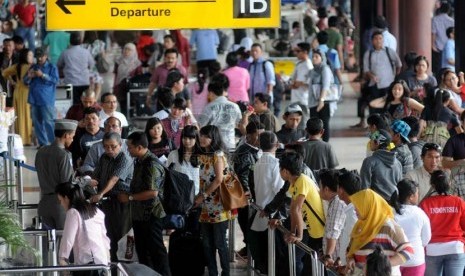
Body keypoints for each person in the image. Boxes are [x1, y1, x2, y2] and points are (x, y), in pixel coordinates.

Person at [119, 131, 171, 276]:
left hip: (152, 215)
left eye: (130, 147)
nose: (128, 150)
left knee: (156, 251)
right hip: (139, 215)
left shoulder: (151, 164)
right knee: (143, 251)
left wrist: (129, 198)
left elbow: (152, 192)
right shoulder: (139, 161)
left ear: (139, 147)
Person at [194, 125, 233, 276]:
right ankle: (212, 272)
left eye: (206, 136)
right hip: (205, 206)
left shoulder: (218, 155)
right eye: (201, 135)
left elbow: (218, 180)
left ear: (214, 138)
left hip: (218, 205)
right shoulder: (202, 155)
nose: (202, 139)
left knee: (220, 243)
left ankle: (225, 273)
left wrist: (202, 196)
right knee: (207, 244)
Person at [347, 189, 413, 276]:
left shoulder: (389, 227)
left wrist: (382, 266)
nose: (355, 210)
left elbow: (408, 251)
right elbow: (350, 249)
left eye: (358, 206)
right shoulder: (360, 225)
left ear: (368, 206)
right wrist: (351, 259)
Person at [90, 132, 133, 262]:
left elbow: (114, 180)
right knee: (109, 235)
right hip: (106, 202)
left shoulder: (124, 158)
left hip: (122, 202)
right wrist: (89, 181)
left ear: (120, 145)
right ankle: (113, 265)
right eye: (106, 146)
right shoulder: (104, 157)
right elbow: (96, 176)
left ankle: (124, 267)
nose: (109, 150)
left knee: (122, 236)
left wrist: (100, 193)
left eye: (113, 146)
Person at [57, 182, 110, 275]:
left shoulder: (73, 213)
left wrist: (62, 258)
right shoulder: (96, 210)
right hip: (102, 263)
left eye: (60, 200)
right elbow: (104, 238)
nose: (61, 204)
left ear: (66, 198)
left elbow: (68, 238)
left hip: (87, 265)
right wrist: (107, 258)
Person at [250, 131, 284, 274]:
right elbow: (279, 189)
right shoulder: (275, 164)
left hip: (260, 211)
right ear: (276, 145)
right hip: (272, 214)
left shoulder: (258, 162)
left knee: (264, 254)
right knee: (274, 255)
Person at [419, 170, 465, 276]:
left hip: (432, 250)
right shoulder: (459, 202)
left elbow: (421, 230)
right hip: (455, 248)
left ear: (433, 185)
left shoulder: (425, 203)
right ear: (449, 183)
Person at [280, 151, 325, 258]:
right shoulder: (294, 183)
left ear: (285, 171)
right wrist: (292, 232)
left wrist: (298, 236)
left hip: (319, 231)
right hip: (310, 230)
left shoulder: (302, 181)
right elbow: (292, 209)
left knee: (316, 266)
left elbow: (297, 209)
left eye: (280, 169)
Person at [353, 31, 402, 128]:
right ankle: (375, 126)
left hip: (388, 84)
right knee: (374, 106)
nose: (378, 41)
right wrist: (371, 76)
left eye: (380, 38)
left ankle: (387, 125)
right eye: (376, 39)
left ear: (383, 40)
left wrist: (395, 76)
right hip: (374, 84)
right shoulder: (369, 53)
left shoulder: (389, 51)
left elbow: (398, 64)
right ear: (372, 41)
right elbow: (366, 70)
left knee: (387, 105)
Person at [35, 119, 78, 229]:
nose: (72, 140)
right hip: (60, 203)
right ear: (66, 135)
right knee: (65, 240)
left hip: (44, 202)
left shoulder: (41, 152)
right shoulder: (64, 155)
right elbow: (67, 182)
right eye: (72, 136)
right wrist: (85, 181)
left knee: (46, 242)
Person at [231, 122, 264, 256]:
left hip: (252, 195)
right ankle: (250, 252)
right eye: (259, 135)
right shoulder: (245, 152)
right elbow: (243, 174)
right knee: (248, 224)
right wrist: (248, 193)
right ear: (249, 136)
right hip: (246, 197)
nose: (262, 138)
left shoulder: (254, 149)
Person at [391, 179, 431, 276]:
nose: (418, 195)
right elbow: (426, 239)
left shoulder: (390, 213)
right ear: (411, 197)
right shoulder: (420, 213)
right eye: (417, 193)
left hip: (395, 260)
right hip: (415, 259)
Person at [24, 47, 59, 148]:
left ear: (46, 56)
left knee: (49, 122)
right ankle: (42, 143)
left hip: (46, 100)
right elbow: (25, 81)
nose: (39, 59)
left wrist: (42, 75)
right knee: (37, 122)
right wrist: (29, 76)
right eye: (37, 57)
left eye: (41, 56)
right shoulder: (33, 67)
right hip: (34, 99)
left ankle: (54, 144)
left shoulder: (52, 67)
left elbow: (56, 80)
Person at [198, 74, 242, 149]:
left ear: (211, 93)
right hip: (230, 144)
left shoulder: (208, 107)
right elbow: (239, 124)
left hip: (214, 146)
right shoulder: (235, 106)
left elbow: (201, 127)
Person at [360, 129, 402, 201]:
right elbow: (400, 185)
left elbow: (365, 189)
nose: (370, 143)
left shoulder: (369, 162)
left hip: (377, 205)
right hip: (394, 204)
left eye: (371, 140)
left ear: (377, 143)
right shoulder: (397, 163)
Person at [2, 48, 32, 145]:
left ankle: (21, 138)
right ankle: (27, 139)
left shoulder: (17, 66)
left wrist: (13, 82)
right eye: (30, 55)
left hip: (17, 91)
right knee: (27, 115)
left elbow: (4, 73)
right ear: (25, 56)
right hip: (26, 92)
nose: (32, 57)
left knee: (19, 115)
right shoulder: (29, 67)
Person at [57, 32, 94, 105]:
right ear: (81, 41)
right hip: (84, 82)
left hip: (70, 82)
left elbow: (58, 65)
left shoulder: (65, 53)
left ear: (70, 40)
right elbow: (92, 64)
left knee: (71, 105)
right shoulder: (86, 52)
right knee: (86, 104)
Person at [319, 169, 347, 265]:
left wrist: (328, 255)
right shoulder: (335, 201)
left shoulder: (337, 203)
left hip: (335, 261)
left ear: (326, 189)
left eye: (320, 187)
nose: (319, 190)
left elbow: (333, 232)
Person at [308, 49, 337, 142]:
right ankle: (315, 143)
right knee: (313, 124)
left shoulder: (325, 69)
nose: (314, 59)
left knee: (324, 124)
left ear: (322, 58)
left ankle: (325, 144)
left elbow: (326, 85)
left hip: (324, 101)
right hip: (313, 101)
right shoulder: (313, 70)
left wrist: (321, 100)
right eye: (313, 56)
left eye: (317, 57)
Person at [167, 125, 201, 195]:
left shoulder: (201, 156)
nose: (187, 141)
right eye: (184, 138)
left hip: (197, 195)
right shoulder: (173, 154)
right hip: (179, 195)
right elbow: (168, 174)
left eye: (190, 138)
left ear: (196, 139)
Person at [113, 42, 141, 107]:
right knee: (122, 105)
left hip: (131, 89)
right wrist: (114, 86)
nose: (126, 51)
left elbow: (139, 76)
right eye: (125, 49)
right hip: (119, 87)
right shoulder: (118, 61)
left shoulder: (137, 64)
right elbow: (115, 75)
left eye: (129, 50)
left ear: (133, 51)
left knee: (131, 106)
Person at [289, 42, 312, 116]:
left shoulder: (309, 66)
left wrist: (300, 83)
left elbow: (311, 82)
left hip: (303, 99)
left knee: (302, 121)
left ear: (305, 52)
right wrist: (293, 83)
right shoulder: (299, 63)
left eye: (298, 51)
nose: (296, 53)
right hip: (295, 97)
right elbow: (293, 78)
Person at [431, 2, 454, 75]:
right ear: (449, 10)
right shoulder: (452, 21)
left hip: (439, 47)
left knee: (439, 68)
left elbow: (433, 34)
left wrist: (433, 45)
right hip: (450, 46)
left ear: (440, 9)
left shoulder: (435, 19)